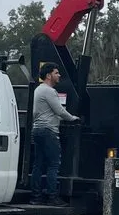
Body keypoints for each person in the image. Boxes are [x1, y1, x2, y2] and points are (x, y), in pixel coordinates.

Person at [29, 63, 80, 204]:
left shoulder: (38, 90)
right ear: (48, 75)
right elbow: (60, 111)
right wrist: (73, 118)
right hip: (49, 131)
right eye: (56, 73)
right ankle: (52, 196)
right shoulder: (49, 91)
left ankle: (36, 197)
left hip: (37, 130)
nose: (59, 75)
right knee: (54, 164)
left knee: (38, 164)